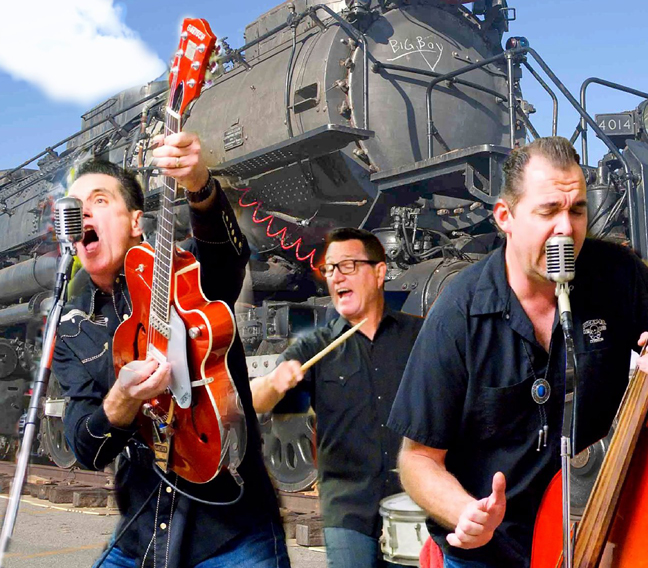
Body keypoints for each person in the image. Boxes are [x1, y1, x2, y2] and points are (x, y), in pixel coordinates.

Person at [388, 136, 648, 568]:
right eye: (548, 211)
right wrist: (464, 514)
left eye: (577, 209)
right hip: (493, 552)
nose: (566, 228)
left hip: (597, 537)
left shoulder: (620, 276)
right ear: (505, 217)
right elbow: (417, 458)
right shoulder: (460, 310)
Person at [52, 132, 290, 568]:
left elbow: (224, 256)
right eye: (76, 206)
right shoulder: (70, 326)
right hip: (139, 539)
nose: (83, 210)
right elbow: (86, 447)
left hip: (231, 535)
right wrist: (123, 401)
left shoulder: (186, 277)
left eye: (101, 200)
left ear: (137, 221)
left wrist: (199, 185)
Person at [250, 227, 423, 568]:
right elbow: (256, 401)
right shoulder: (313, 346)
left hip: (411, 501)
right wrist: (274, 382)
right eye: (330, 269)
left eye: (347, 266)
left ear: (379, 272)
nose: (335, 277)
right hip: (349, 509)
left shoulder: (417, 337)